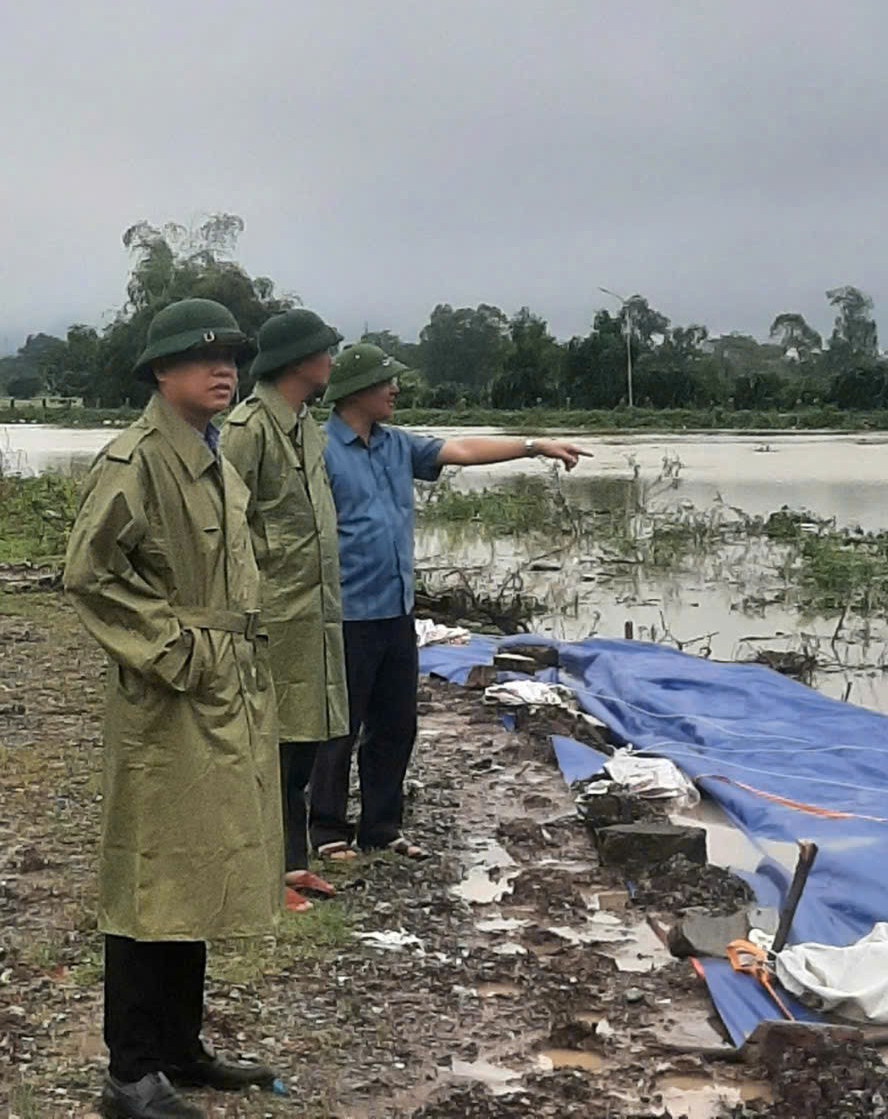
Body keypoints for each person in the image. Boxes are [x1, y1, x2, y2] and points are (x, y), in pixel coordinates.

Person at [64, 298, 282, 1119]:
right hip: (171, 695)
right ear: (162, 372)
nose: (223, 368)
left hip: (222, 688)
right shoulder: (138, 460)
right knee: (151, 874)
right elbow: (89, 574)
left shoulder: (214, 458)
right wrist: (178, 653)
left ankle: (181, 1049)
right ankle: (129, 1070)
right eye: (203, 358)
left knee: (198, 866)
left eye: (232, 356)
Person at [308, 343, 591, 863]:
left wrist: (533, 446)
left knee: (396, 725)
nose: (395, 390)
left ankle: (381, 828)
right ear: (356, 391)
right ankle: (326, 831)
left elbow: (461, 451)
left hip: (396, 611)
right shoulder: (317, 449)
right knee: (338, 727)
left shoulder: (397, 445)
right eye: (385, 382)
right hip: (344, 613)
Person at [221, 309, 349, 914]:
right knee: (268, 747)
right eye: (324, 351)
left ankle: (291, 865)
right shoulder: (248, 429)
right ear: (299, 361)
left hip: (312, 613)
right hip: (270, 614)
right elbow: (224, 526)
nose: (331, 360)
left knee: (301, 744)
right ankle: (259, 874)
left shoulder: (305, 426)